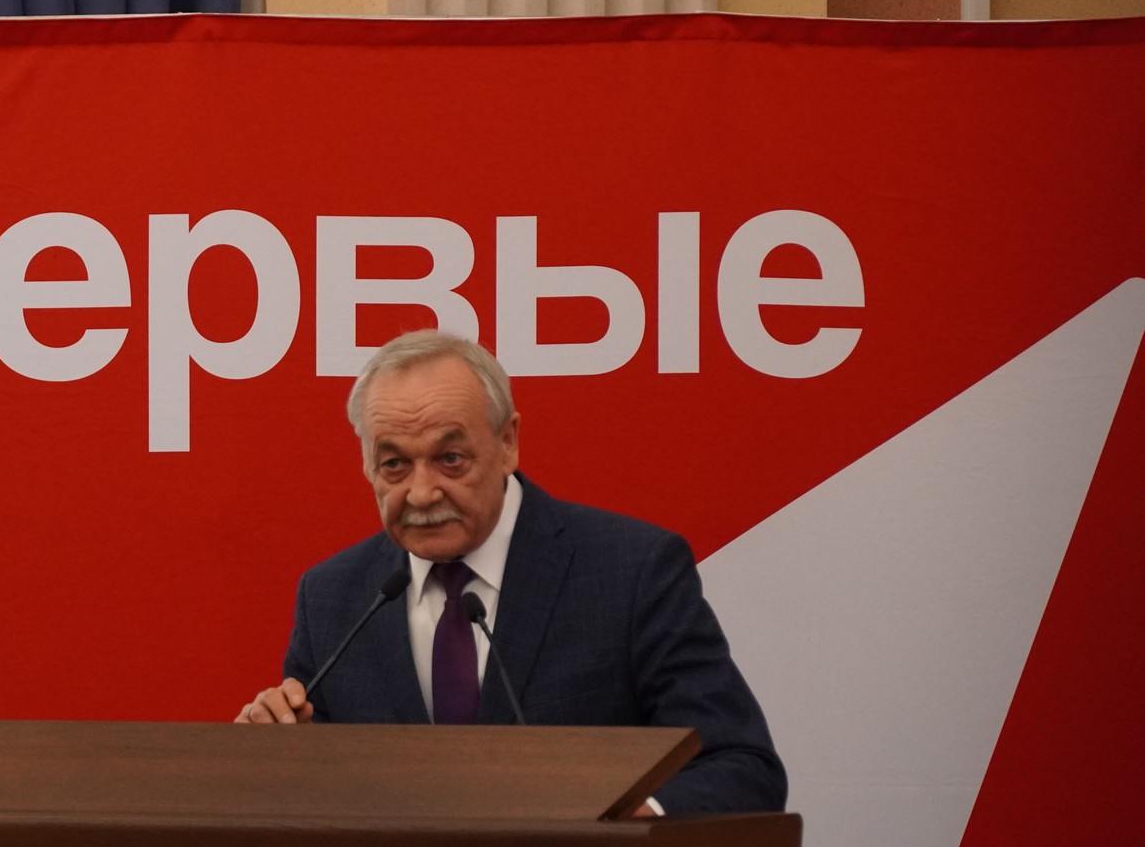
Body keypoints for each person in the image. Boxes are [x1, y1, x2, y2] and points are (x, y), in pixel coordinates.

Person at [236, 330, 785, 815]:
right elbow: (316, 793)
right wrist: (269, 760)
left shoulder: (631, 573)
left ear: (507, 443)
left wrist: (628, 825)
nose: (421, 493)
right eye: (395, 464)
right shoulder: (333, 597)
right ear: (366, 465)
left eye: (451, 459)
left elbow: (741, 766)